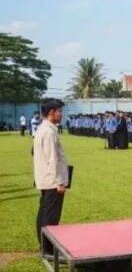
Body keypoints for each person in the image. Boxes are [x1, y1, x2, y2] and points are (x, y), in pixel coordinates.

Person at [33, 98, 67, 252]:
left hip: (46, 178)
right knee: (50, 217)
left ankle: (45, 246)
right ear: (52, 112)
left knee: (45, 213)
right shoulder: (48, 132)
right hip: (52, 181)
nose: (61, 114)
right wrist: (59, 182)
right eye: (59, 111)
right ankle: (48, 248)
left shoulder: (45, 129)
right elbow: (52, 159)